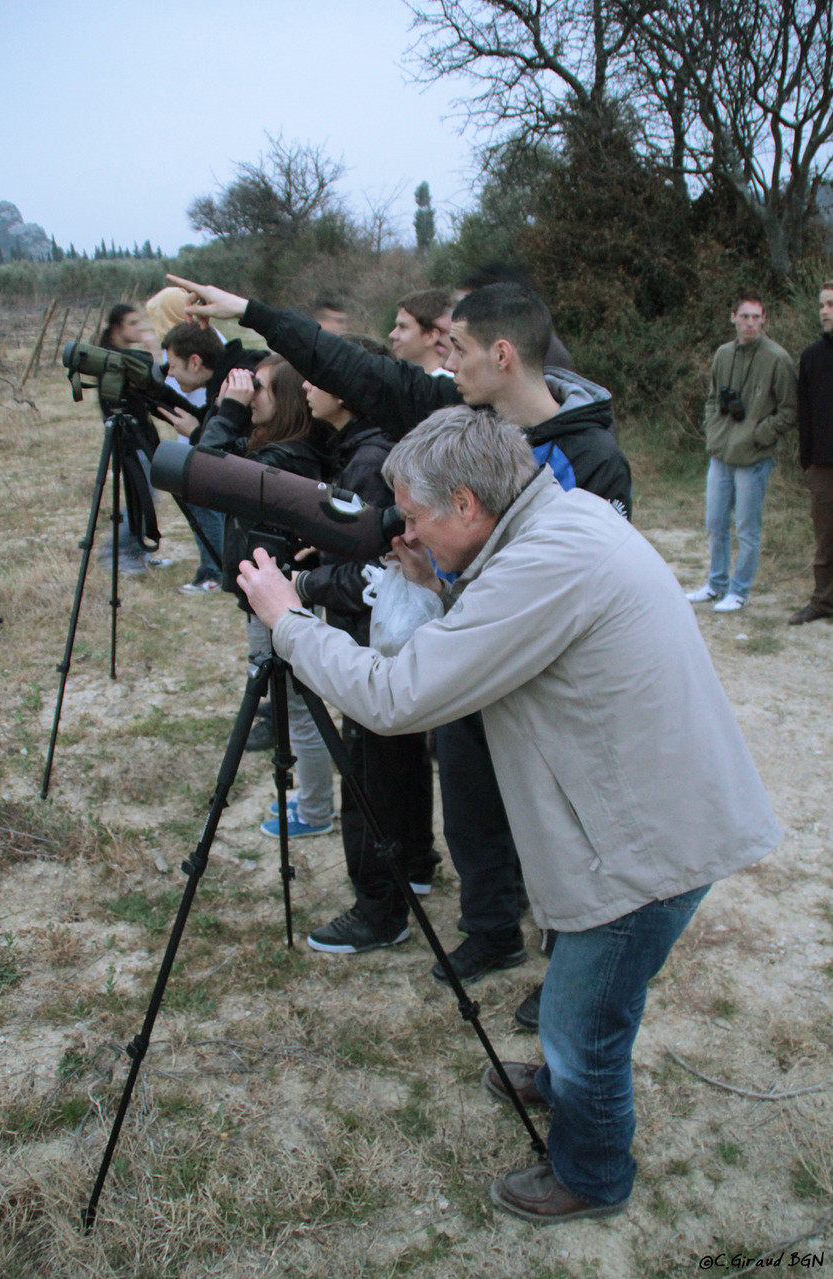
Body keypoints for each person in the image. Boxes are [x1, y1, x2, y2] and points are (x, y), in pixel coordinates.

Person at [237, 406, 780, 1227]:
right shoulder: (564, 517)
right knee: (582, 992)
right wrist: (434, 580)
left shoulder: (543, 562)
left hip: (645, 846)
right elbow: (508, 608)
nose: (403, 531)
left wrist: (287, 622)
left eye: (414, 516)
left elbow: (396, 696)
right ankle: (562, 1078)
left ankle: (593, 1173)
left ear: (465, 504)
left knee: (586, 1020)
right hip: (657, 812)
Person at [164, 272, 631, 1001]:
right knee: (471, 792)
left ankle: (568, 964)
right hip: (467, 631)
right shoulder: (460, 411)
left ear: (502, 354)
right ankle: (491, 928)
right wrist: (253, 316)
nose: (445, 360)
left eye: (459, 347)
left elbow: (584, 587)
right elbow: (354, 370)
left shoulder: (590, 455)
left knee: (553, 820)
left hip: (540, 667)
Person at [285, 335, 438, 952]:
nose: (305, 386)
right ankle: (416, 864)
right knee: (397, 759)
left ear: (346, 391)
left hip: (372, 639)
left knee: (372, 769)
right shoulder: (365, 448)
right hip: (384, 637)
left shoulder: (371, 458)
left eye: (317, 376)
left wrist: (300, 583)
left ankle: (379, 906)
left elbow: (373, 572)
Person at [196, 355, 335, 829]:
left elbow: (203, 476)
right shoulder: (278, 451)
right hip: (270, 594)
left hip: (280, 599)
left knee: (300, 709)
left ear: (289, 402)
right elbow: (217, 458)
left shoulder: (284, 459)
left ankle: (316, 810)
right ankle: (312, 801)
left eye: (261, 388)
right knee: (294, 707)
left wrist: (229, 412)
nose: (250, 394)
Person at [686, 290, 797, 612]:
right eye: (744, 316)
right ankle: (715, 584)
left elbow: (790, 410)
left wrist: (760, 434)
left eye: (756, 317)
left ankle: (739, 590)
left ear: (764, 320)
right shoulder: (723, 354)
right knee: (715, 523)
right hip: (721, 454)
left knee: (747, 528)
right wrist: (713, 428)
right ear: (733, 317)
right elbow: (711, 398)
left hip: (753, 458)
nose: (750, 323)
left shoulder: (778, 359)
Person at [146, 287, 226, 594]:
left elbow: (178, 392)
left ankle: (216, 572)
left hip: (202, 442)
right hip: (194, 439)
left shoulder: (193, 348)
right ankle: (213, 567)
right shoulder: (188, 343)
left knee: (207, 511)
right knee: (204, 510)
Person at [97, 304, 173, 577]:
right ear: (118, 327)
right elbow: (150, 382)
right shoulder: (115, 360)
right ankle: (116, 552)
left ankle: (136, 553)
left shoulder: (121, 356)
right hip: (131, 439)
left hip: (141, 435)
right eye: (132, 323)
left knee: (144, 497)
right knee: (142, 498)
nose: (138, 329)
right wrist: (154, 350)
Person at [789, 281, 833, 626]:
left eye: (831, 304)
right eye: (822, 305)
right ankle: (822, 601)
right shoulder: (811, 357)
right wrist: (807, 461)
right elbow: (804, 413)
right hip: (822, 464)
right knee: (825, 536)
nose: (824, 311)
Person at [388, 289, 453, 373]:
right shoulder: (402, 382)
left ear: (430, 336)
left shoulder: (452, 384)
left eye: (403, 327)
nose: (392, 335)